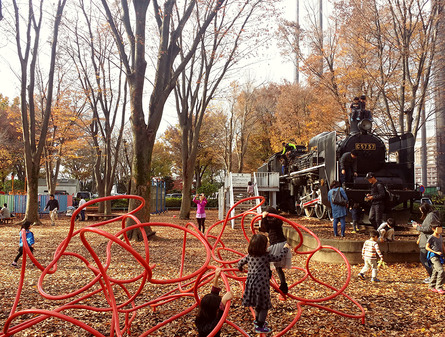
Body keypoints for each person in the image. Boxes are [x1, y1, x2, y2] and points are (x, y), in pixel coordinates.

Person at [238, 234, 290, 334]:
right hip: (262, 284)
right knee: (264, 305)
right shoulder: (266, 256)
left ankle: (258, 322)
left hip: (251, 284)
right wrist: (285, 248)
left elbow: (240, 263)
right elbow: (278, 258)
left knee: (257, 303)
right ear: (263, 247)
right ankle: (260, 326)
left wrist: (241, 269)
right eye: (266, 244)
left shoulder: (249, 256)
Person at [259, 206, 292, 295]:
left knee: (272, 264)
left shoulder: (276, 221)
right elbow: (265, 229)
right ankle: (282, 285)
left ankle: (279, 285)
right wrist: (261, 223)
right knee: (276, 267)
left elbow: (269, 225)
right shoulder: (271, 222)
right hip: (275, 244)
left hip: (279, 244)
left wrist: (264, 218)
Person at [195, 268, 233, 337]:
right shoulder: (202, 323)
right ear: (213, 310)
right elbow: (217, 324)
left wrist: (216, 277)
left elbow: (213, 295)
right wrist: (223, 302)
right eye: (218, 307)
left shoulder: (206, 312)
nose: (218, 309)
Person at [412, 203, 439, 283]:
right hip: (427, 240)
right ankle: (433, 275)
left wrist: (417, 227)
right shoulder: (432, 215)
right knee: (429, 259)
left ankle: (432, 276)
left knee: (424, 259)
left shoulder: (430, 216)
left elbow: (429, 228)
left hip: (426, 241)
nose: (421, 212)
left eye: (421, 210)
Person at [425, 222, 445, 294]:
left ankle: (431, 286)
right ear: (433, 229)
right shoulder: (431, 237)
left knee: (435, 271)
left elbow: (442, 245)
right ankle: (439, 287)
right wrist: (436, 252)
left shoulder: (440, 236)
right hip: (433, 256)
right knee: (441, 271)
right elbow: (426, 247)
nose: (440, 230)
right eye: (438, 228)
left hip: (440, 256)